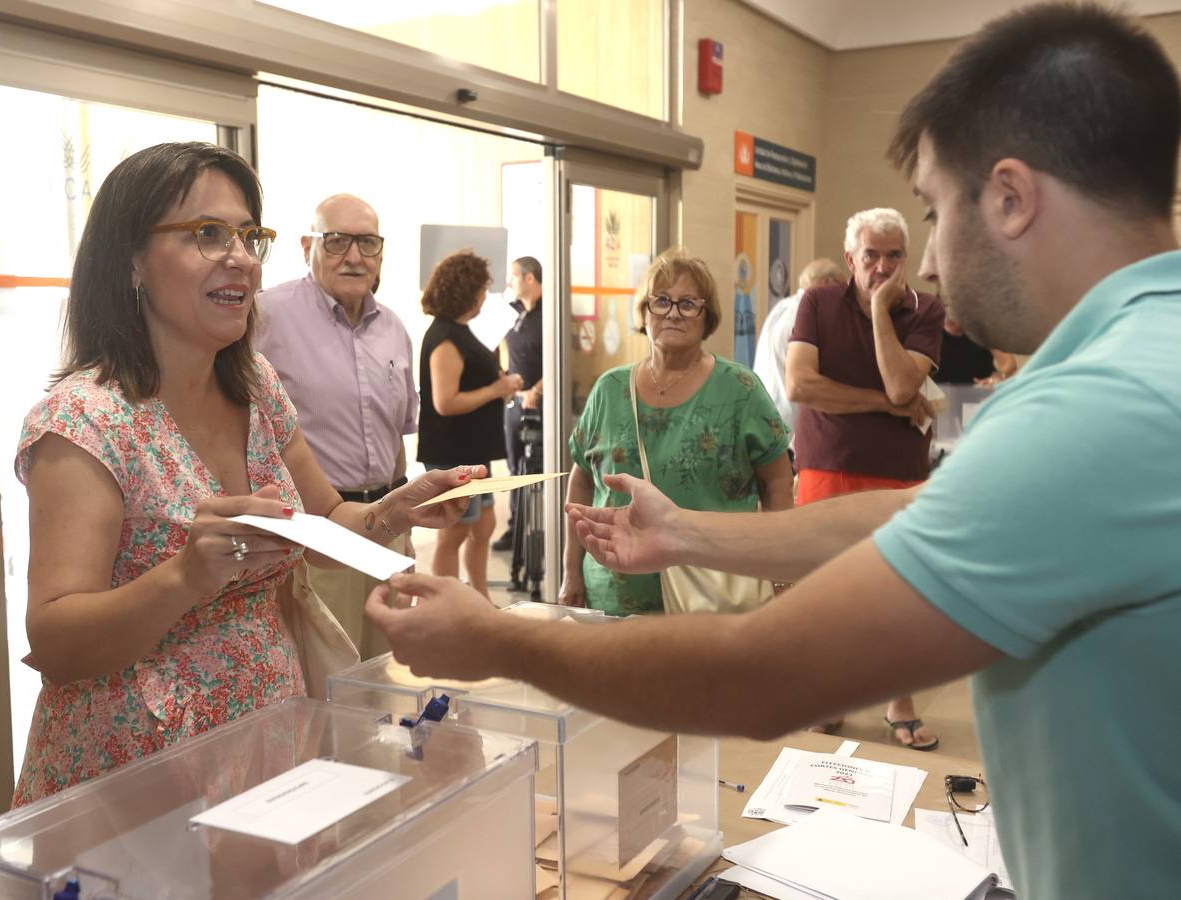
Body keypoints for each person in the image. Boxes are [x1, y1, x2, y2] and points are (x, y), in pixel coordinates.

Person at [366, 4, 1181, 896]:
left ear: (1013, 198)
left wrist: (499, 640)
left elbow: (757, 678)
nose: (933, 267)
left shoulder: (1103, 405)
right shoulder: (1146, 357)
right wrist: (686, 535)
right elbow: (920, 514)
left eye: (936, 212)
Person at [14, 143, 480, 804]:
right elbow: (56, 640)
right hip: (139, 763)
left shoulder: (255, 386)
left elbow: (327, 518)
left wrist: (391, 513)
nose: (237, 255)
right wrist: (185, 577)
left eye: (246, 235)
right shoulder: (84, 421)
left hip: (267, 732)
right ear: (132, 262)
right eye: (206, 233)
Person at [786, 207, 945, 749]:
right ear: (850, 256)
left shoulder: (925, 309)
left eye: (893, 255)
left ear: (905, 260)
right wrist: (885, 406)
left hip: (898, 473)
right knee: (825, 590)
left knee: (897, 591)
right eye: (870, 255)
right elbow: (802, 386)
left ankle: (898, 698)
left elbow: (905, 386)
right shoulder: (815, 303)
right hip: (826, 465)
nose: (881, 266)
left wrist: (880, 310)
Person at [560, 249, 793, 614]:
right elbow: (583, 480)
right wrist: (570, 571)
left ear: (707, 316)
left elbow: (778, 483)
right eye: (662, 301)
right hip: (613, 593)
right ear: (644, 312)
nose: (673, 312)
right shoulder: (609, 389)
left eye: (688, 303)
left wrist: (782, 576)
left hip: (713, 594)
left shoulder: (740, 390)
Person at [253, 195, 417, 659]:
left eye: (367, 243)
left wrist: (402, 533)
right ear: (308, 245)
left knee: (387, 674)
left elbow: (396, 439)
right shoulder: (266, 316)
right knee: (327, 681)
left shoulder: (394, 329)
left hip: (386, 527)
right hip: (315, 537)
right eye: (337, 241)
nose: (353, 256)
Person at [417, 250, 523, 597]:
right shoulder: (445, 337)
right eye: (481, 290)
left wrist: (500, 386)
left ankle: (479, 598)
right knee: (455, 532)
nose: (483, 297)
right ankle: (446, 606)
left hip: (473, 450)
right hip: (453, 452)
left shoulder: (460, 331)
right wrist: (496, 388)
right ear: (466, 293)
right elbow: (445, 402)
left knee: (483, 524)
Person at [751, 258, 845, 440]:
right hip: (788, 425)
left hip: (764, 413)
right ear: (826, 284)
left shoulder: (782, 307)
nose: (843, 296)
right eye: (841, 287)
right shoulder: (807, 316)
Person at [492, 256, 545, 553]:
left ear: (529, 278)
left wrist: (537, 390)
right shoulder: (509, 312)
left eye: (514, 276)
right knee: (515, 467)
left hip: (543, 401)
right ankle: (515, 530)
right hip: (514, 400)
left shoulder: (551, 312)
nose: (510, 282)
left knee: (542, 467)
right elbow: (487, 345)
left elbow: (560, 358)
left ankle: (545, 530)